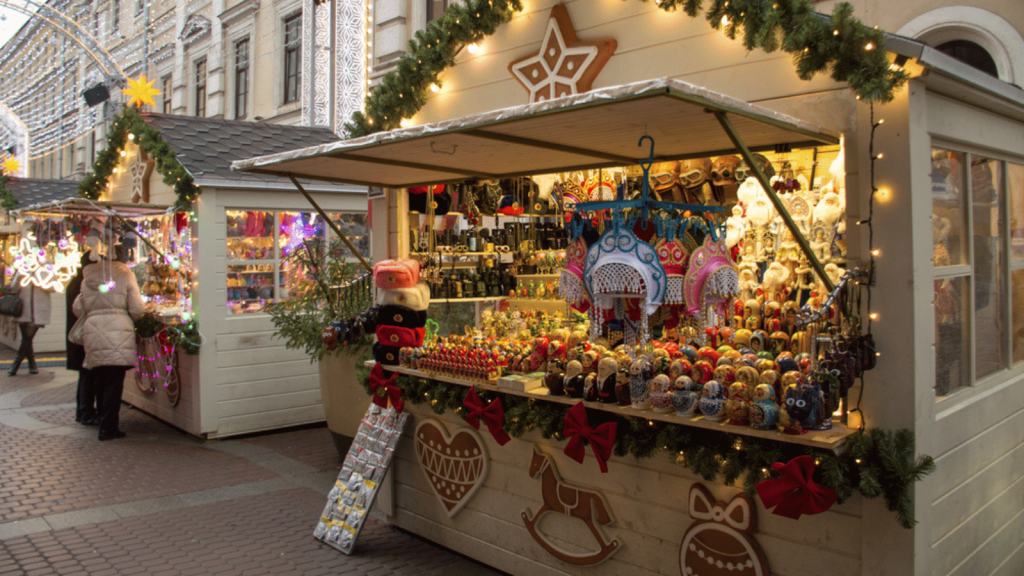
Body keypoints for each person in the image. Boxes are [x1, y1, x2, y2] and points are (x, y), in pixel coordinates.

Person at [73, 245, 145, 441]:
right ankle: (108, 426)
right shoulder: (124, 273)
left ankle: (102, 420)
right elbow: (137, 308)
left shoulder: (89, 274)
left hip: (93, 331)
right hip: (118, 331)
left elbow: (78, 307)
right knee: (114, 381)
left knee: (100, 379)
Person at [67, 252, 100, 425]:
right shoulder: (84, 283)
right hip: (84, 336)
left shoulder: (76, 281)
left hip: (78, 336)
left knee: (85, 374)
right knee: (87, 374)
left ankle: (83, 410)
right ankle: (85, 411)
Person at [8, 272, 53, 376]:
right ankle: (32, 364)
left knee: (27, 338)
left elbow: (53, 288)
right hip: (22, 309)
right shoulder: (23, 269)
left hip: (38, 310)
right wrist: (18, 278)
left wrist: (41, 282)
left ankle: (16, 364)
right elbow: (13, 288)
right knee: (27, 339)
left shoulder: (46, 270)